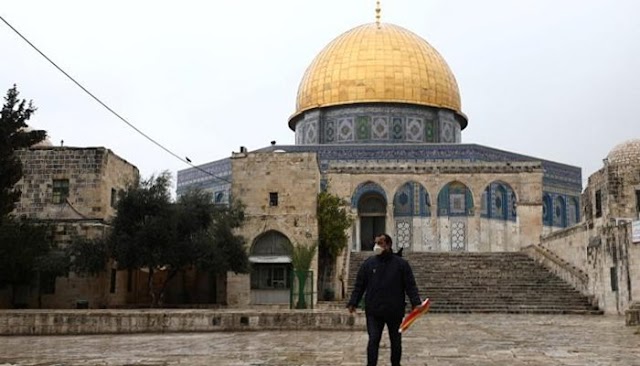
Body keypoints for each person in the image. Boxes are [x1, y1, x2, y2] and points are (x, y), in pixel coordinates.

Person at [347, 233, 421, 366]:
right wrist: (353, 302)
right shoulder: (368, 264)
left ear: (388, 244)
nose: (377, 246)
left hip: (394, 310)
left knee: (396, 341)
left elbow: (410, 285)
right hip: (374, 311)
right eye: (376, 243)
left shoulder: (401, 264)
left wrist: (416, 302)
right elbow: (360, 285)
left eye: (380, 243)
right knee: (373, 340)